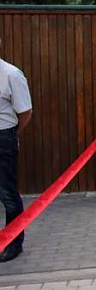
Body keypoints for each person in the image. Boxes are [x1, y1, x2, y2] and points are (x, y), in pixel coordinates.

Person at [0, 37, 33, 262]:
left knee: (7, 194)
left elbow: (25, 112)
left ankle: (14, 243)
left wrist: (11, 134)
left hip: (3, 138)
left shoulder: (11, 74)